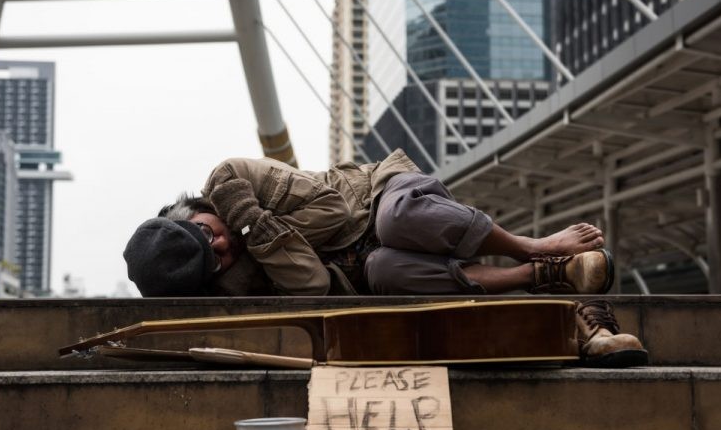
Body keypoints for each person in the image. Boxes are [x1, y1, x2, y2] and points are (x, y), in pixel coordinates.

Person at [123, 148, 647, 366]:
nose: (222, 246)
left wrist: (256, 230)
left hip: (379, 197)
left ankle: (535, 246)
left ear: (193, 209)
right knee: (384, 270)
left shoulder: (232, 178)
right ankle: (543, 277)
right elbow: (312, 290)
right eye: (213, 260)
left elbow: (331, 213)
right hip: (368, 272)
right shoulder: (236, 278)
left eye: (205, 232)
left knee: (398, 222)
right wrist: (256, 226)